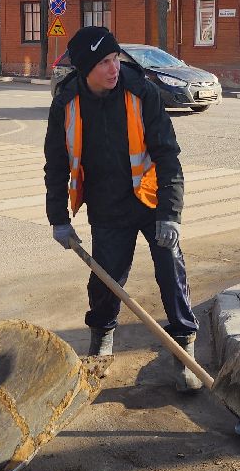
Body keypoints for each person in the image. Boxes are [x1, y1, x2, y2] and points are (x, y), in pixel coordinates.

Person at [44, 25, 200, 390]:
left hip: (150, 200)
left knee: (170, 271)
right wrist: (58, 219)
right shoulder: (66, 102)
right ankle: (101, 345)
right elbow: (56, 163)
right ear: (86, 69)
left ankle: (183, 352)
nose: (113, 69)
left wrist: (170, 214)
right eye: (104, 63)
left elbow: (167, 155)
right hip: (106, 205)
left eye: (115, 59)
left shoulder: (141, 91)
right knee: (105, 281)